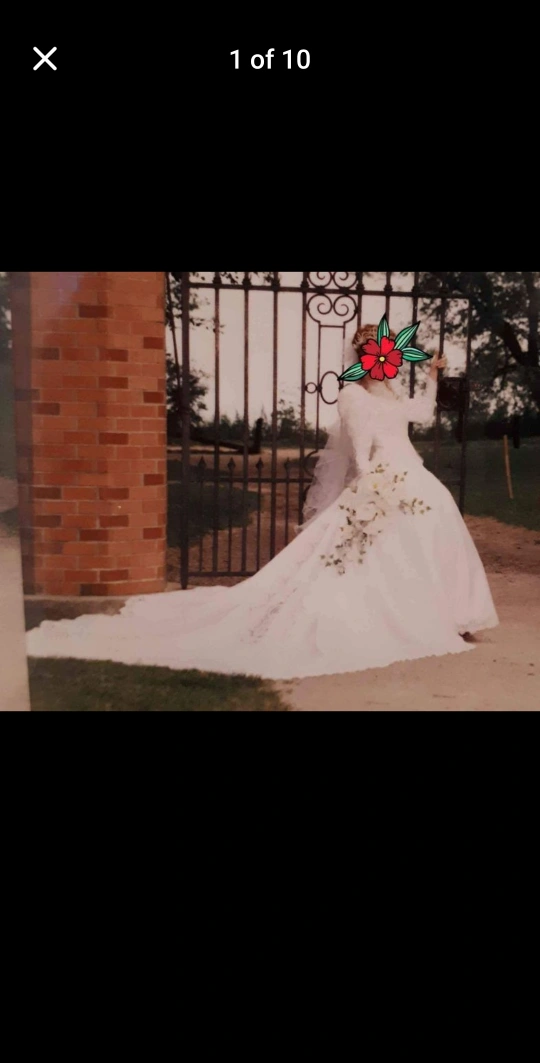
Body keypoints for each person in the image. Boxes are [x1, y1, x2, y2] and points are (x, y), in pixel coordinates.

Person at [27, 326, 498, 681]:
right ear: (363, 360)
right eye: (377, 355)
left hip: (412, 475)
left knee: (430, 536)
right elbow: (358, 452)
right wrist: (371, 487)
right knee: (370, 557)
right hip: (381, 479)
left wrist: (432, 376)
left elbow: (421, 413)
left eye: (389, 354)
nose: (385, 363)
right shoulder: (353, 396)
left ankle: (448, 616)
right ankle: (402, 618)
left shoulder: (391, 393)